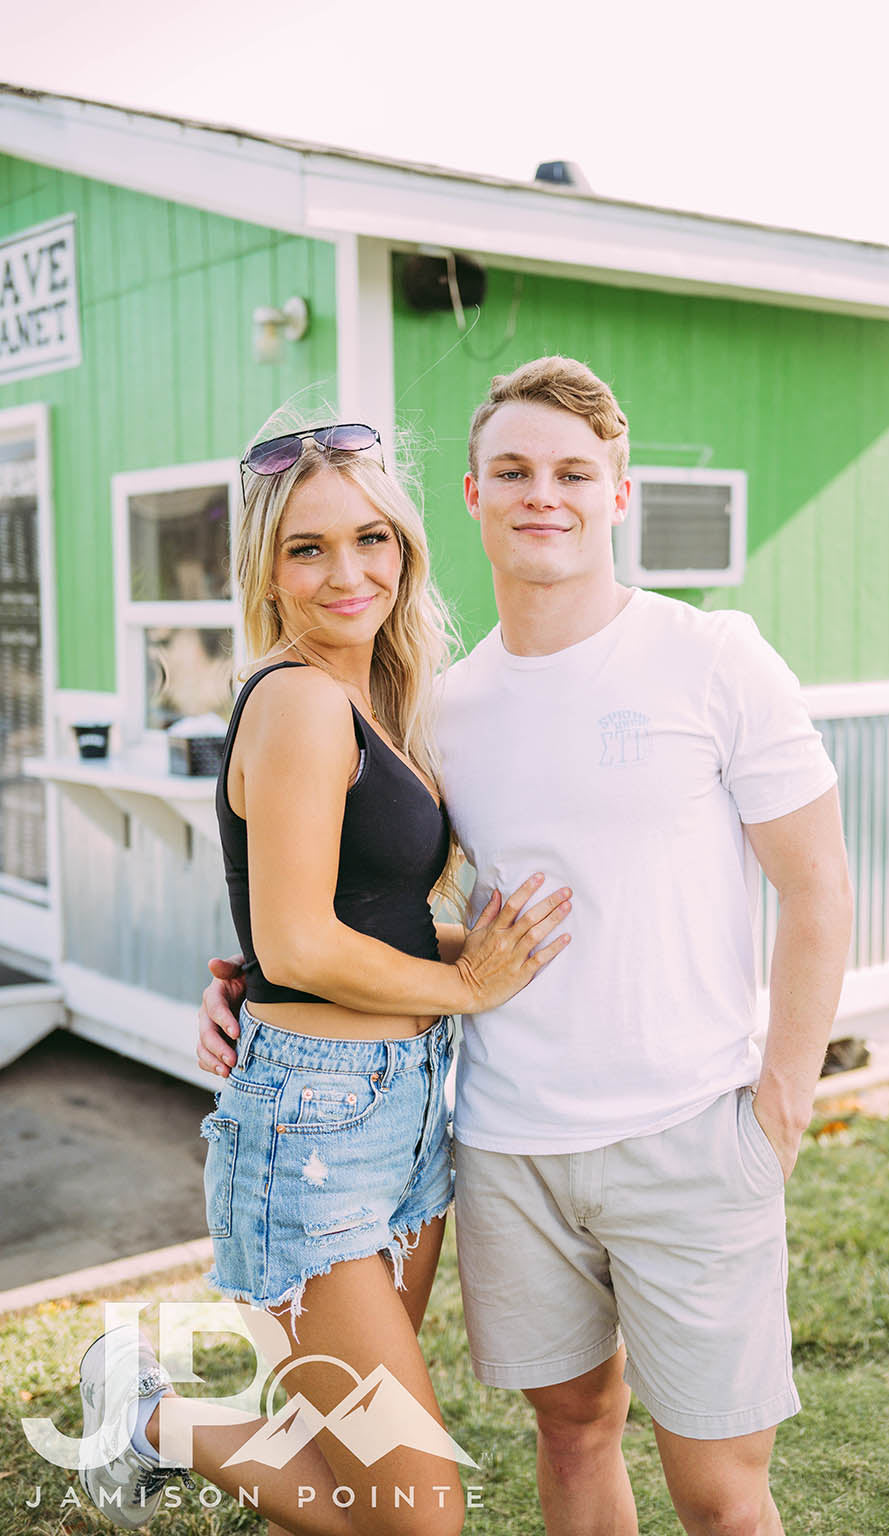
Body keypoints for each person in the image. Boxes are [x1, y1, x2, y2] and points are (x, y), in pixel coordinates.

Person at [198, 359, 855, 1536]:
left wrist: (779, 1110)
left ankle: (156, 1417)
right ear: (467, 495)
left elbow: (817, 890)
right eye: (511, 470)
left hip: (689, 1136)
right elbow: (365, 904)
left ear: (617, 493)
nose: (538, 493)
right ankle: (160, 1416)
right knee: (566, 1431)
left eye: (570, 471)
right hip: (497, 1143)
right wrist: (263, 974)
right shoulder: (445, 704)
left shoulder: (712, 658)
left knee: (720, 1492)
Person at [77, 413, 573, 1536]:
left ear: (404, 544)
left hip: (398, 1113)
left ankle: (148, 1419)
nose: (347, 572)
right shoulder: (299, 698)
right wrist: (469, 987)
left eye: (370, 539)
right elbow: (299, 946)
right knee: (415, 1516)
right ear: (267, 564)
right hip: (313, 1130)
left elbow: (346, 917)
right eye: (307, 548)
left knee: (357, 1481)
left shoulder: (376, 699)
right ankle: (152, 1416)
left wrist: (477, 955)